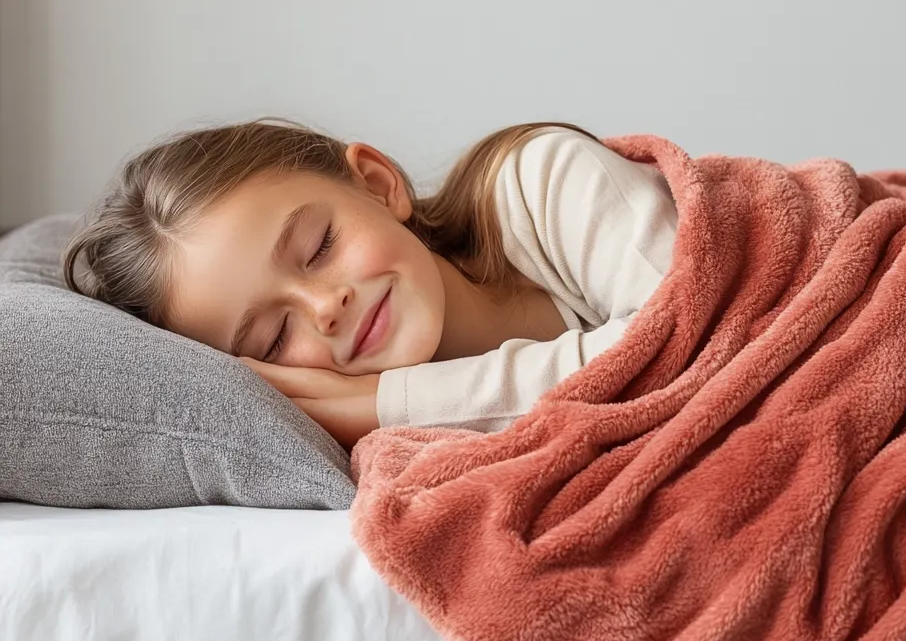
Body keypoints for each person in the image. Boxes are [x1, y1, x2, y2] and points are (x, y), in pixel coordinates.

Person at [63, 119, 678, 449]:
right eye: (275, 338)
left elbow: (688, 329)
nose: (325, 307)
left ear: (378, 184)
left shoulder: (540, 182)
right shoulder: (386, 450)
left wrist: (391, 401)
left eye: (319, 247)